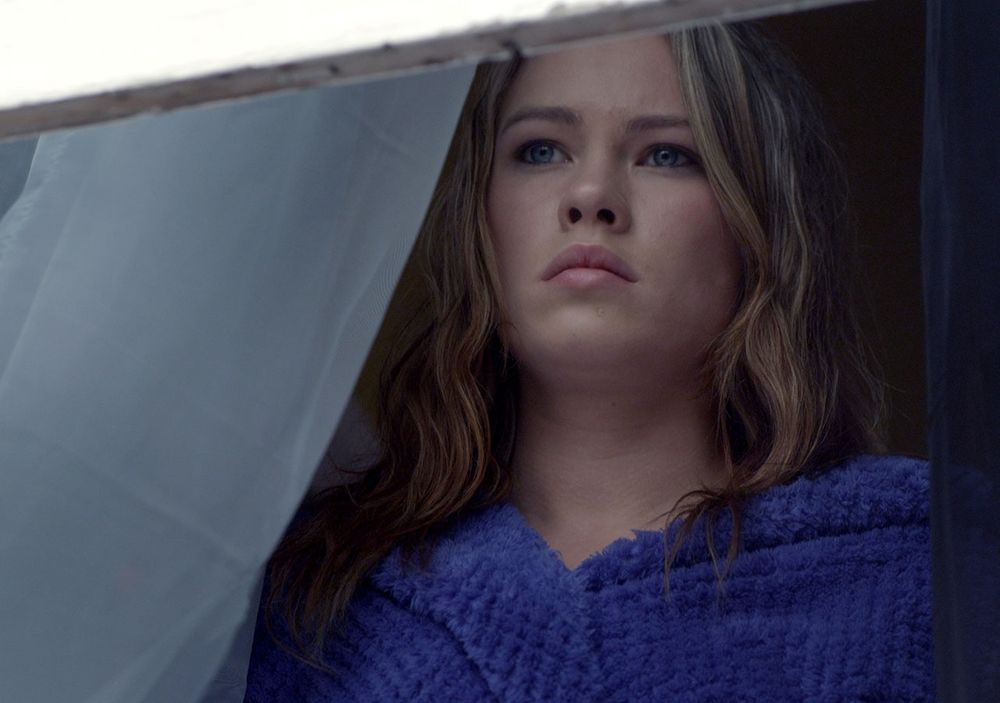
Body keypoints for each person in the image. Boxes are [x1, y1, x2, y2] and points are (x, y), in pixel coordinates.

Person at [242, 20, 933, 702]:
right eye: (541, 150)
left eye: (665, 155)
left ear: (760, 224)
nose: (591, 196)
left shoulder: (926, 571)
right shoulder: (315, 600)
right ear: (479, 220)